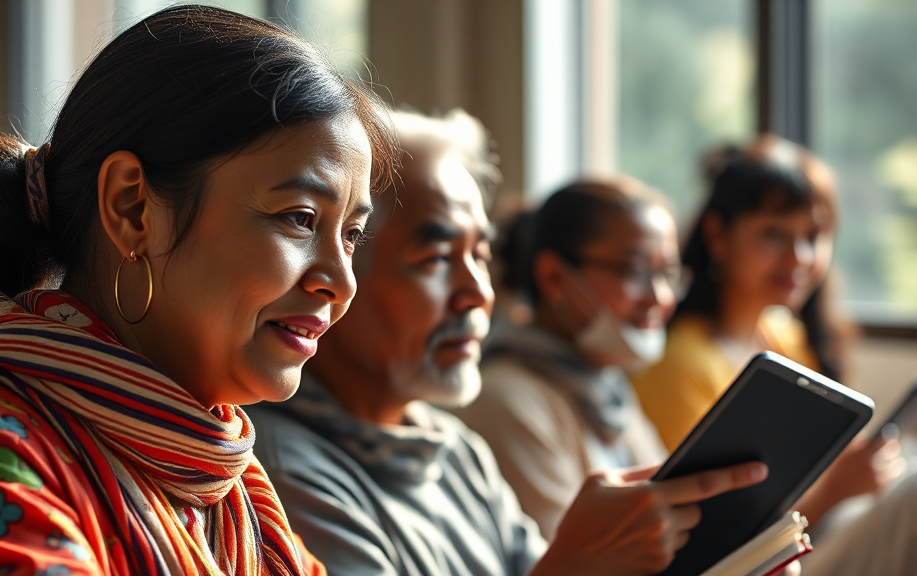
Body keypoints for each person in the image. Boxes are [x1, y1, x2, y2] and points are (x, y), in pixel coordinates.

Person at [0, 5, 397, 574]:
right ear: (131, 207)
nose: (341, 282)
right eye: (300, 218)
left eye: (351, 234)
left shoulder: (230, 487)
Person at [245, 109, 768, 576]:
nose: (478, 292)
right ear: (335, 274)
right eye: (436, 259)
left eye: (480, 255)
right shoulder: (281, 474)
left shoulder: (456, 451)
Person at [632, 135, 917, 575]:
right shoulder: (682, 363)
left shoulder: (780, 332)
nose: (798, 257)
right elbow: (709, 541)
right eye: (773, 234)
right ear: (717, 235)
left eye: (813, 236)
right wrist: (835, 491)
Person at [456, 178, 676, 540]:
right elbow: (570, 556)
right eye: (635, 271)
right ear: (554, 277)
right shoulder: (507, 398)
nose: (659, 296)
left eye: (667, 273)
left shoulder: (607, 386)